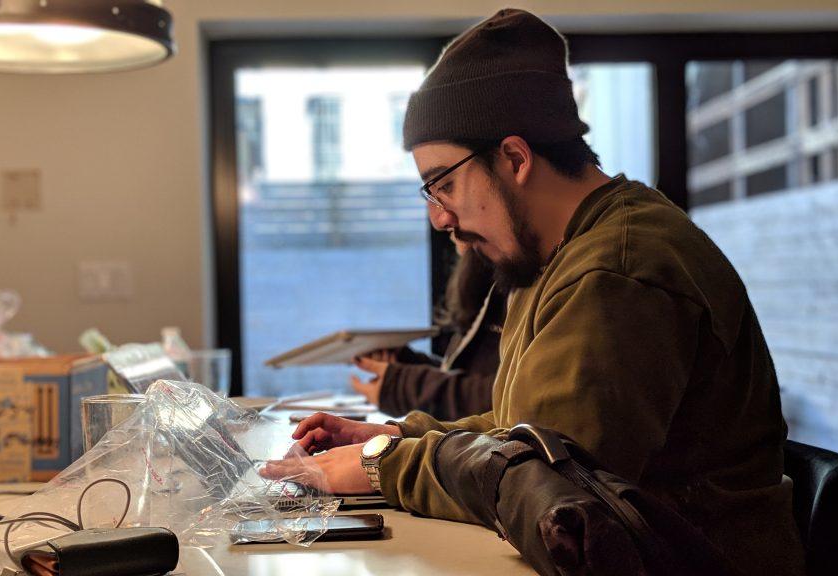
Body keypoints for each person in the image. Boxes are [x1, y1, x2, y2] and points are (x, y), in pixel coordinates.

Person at [262, 9, 805, 575]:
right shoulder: (556, 257)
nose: (439, 219)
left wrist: (384, 465)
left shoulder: (616, 273)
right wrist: (395, 434)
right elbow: (526, 430)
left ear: (516, 158)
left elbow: (548, 484)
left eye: (444, 183)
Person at [350, 242, 505, 420]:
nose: (441, 221)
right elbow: (472, 375)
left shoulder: (523, 283)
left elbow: (505, 399)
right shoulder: (484, 278)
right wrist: (406, 365)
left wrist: (404, 387)